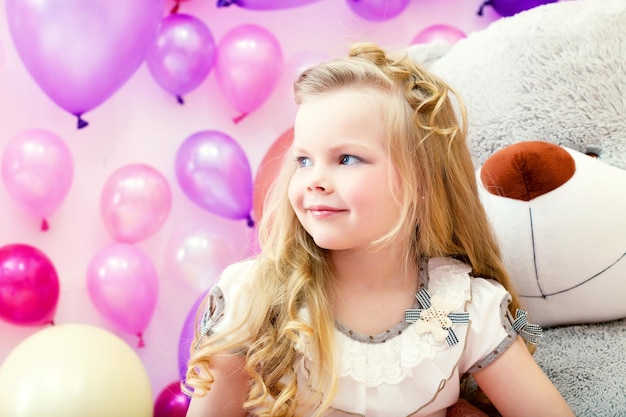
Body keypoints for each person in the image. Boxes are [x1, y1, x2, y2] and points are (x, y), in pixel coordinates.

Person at [183, 42, 575, 417]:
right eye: (304, 160)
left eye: (347, 158)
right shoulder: (254, 298)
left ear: (422, 181)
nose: (314, 180)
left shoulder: (461, 310)